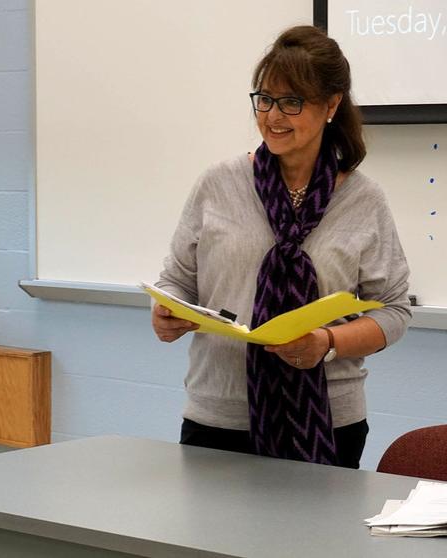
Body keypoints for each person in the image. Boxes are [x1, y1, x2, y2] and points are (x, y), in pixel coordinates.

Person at [151, 25, 410, 469]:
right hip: (219, 421)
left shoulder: (364, 199)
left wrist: (326, 342)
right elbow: (176, 282)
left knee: (315, 540)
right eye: (265, 99)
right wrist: (166, 313)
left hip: (328, 423)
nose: (272, 116)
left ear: (331, 105)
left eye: (292, 102)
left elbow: (394, 311)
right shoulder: (218, 183)